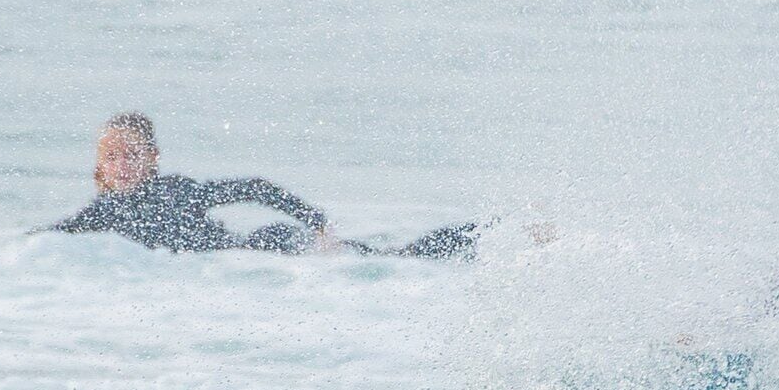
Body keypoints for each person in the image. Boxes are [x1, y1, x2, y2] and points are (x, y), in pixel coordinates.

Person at [49, 112, 475, 258]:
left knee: (399, 258)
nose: (122, 165)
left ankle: (489, 237)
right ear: (99, 165)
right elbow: (48, 240)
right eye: (112, 156)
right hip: (254, 266)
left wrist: (316, 221)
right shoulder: (98, 215)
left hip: (268, 249)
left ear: (152, 159)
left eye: (132, 155)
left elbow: (252, 188)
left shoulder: (176, 191)